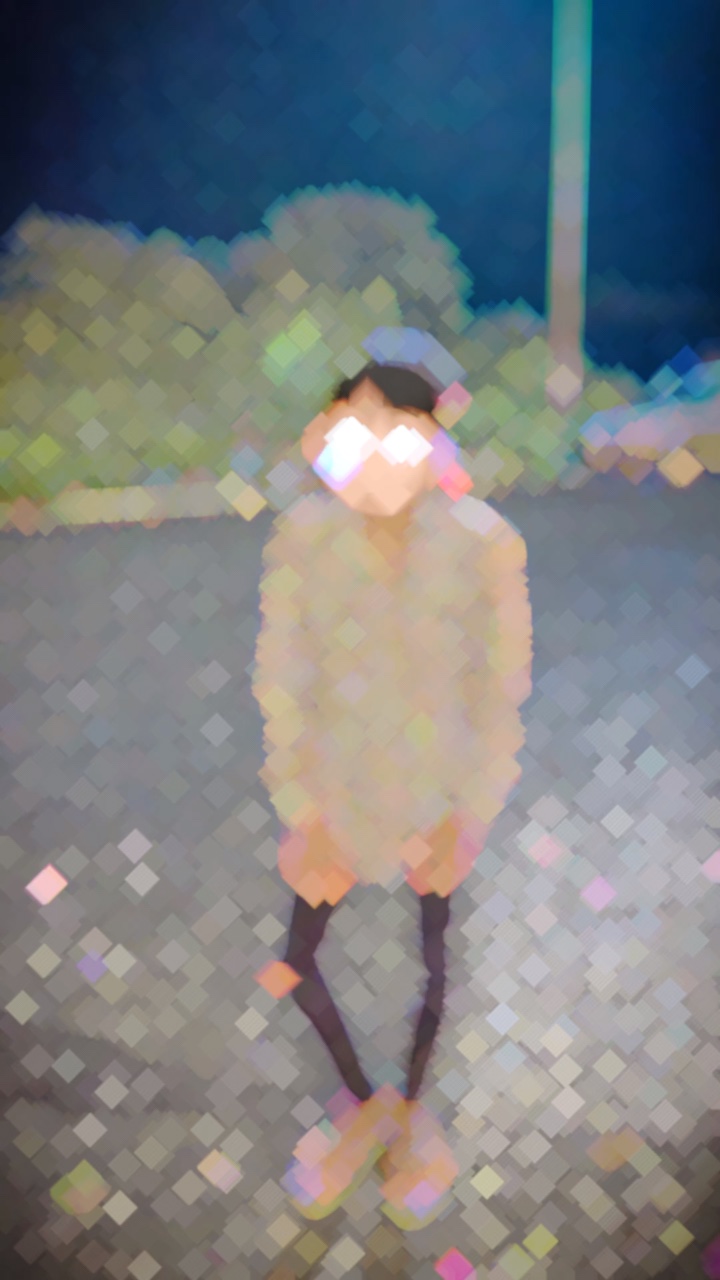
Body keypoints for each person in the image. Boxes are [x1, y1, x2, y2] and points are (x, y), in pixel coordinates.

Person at [252, 360, 533, 1229]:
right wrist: (301, 811)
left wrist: (470, 813)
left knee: (432, 965)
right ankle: (362, 1105)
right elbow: (282, 681)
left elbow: (499, 691)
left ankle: (406, 1114)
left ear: (434, 438)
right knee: (302, 962)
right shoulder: (303, 540)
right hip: (338, 790)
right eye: (355, 424)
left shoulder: (485, 544)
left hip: (435, 791)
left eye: (395, 427)